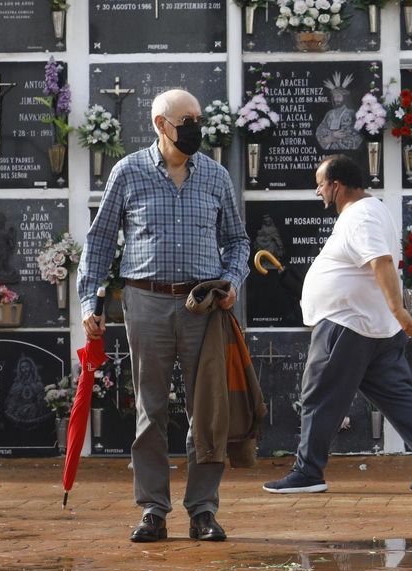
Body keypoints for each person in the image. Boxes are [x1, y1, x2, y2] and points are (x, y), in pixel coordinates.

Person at [77, 89, 250, 544]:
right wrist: (89, 303)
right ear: (160, 124)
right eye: (187, 119)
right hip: (146, 301)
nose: (197, 126)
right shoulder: (128, 171)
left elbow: (238, 241)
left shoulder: (214, 176)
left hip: (203, 305)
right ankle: (153, 510)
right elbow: (99, 243)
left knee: (207, 411)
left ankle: (203, 511)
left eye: (199, 117)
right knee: (150, 410)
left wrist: (231, 280)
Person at [262, 154, 412, 494]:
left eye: (320, 184)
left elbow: (380, 261)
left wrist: (400, 311)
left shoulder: (361, 216)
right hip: (372, 327)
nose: (318, 192)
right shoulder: (371, 209)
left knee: (319, 394)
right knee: (396, 395)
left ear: (336, 185)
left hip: (348, 324)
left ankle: (307, 472)